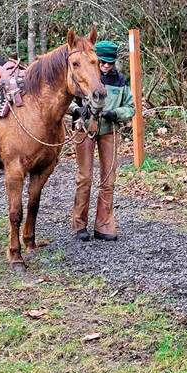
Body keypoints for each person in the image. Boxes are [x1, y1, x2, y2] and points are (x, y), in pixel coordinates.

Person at [71, 39, 135, 242]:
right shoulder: (86, 75)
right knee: (85, 177)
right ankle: (79, 224)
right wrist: (76, 111)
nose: (106, 66)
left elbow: (131, 107)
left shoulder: (121, 81)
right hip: (86, 130)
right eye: (102, 62)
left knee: (108, 179)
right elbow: (67, 100)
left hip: (110, 131)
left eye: (110, 62)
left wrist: (114, 114)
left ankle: (104, 224)